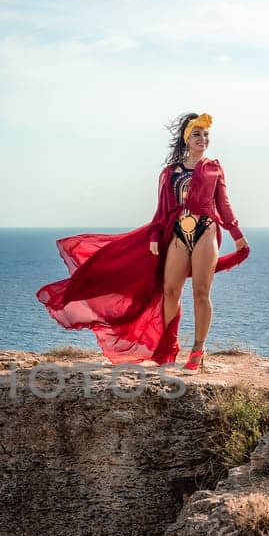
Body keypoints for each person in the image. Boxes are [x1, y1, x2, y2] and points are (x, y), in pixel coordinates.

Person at [36, 112, 249, 369]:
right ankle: (169, 346)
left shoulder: (214, 168)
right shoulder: (170, 172)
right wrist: (155, 235)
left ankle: (198, 349)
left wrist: (237, 234)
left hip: (205, 230)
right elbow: (161, 211)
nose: (202, 139)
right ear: (186, 138)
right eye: (197, 134)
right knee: (171, 290)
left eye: (206, 135)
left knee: (201, 292)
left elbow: (223, 204)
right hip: (177, 233)